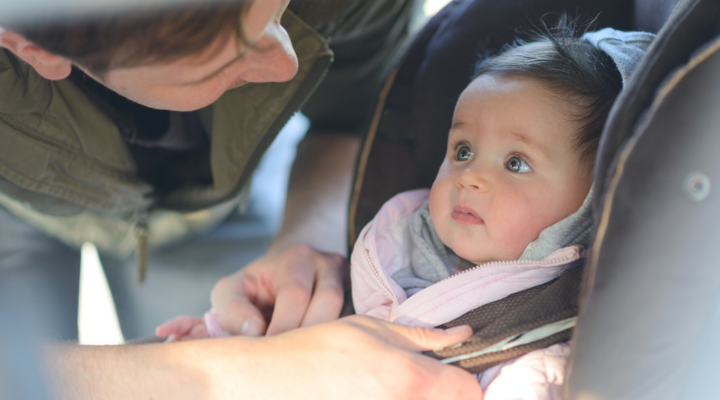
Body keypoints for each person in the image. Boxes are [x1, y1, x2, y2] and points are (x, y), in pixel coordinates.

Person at [0, 0, 485, 399]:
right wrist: (228, 373)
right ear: (34, 49)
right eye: (227, 56)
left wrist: (300, 242)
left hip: (217, 206)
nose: (287, 64)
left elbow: (356, 112)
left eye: (280, 9)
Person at [159, 19, 655, 399]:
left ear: (594, 199)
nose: (471, 175)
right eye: (462, 150)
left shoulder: (548, 337)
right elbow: (304, 325)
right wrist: (218, 338)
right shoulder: (396, 248)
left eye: (516, 162)